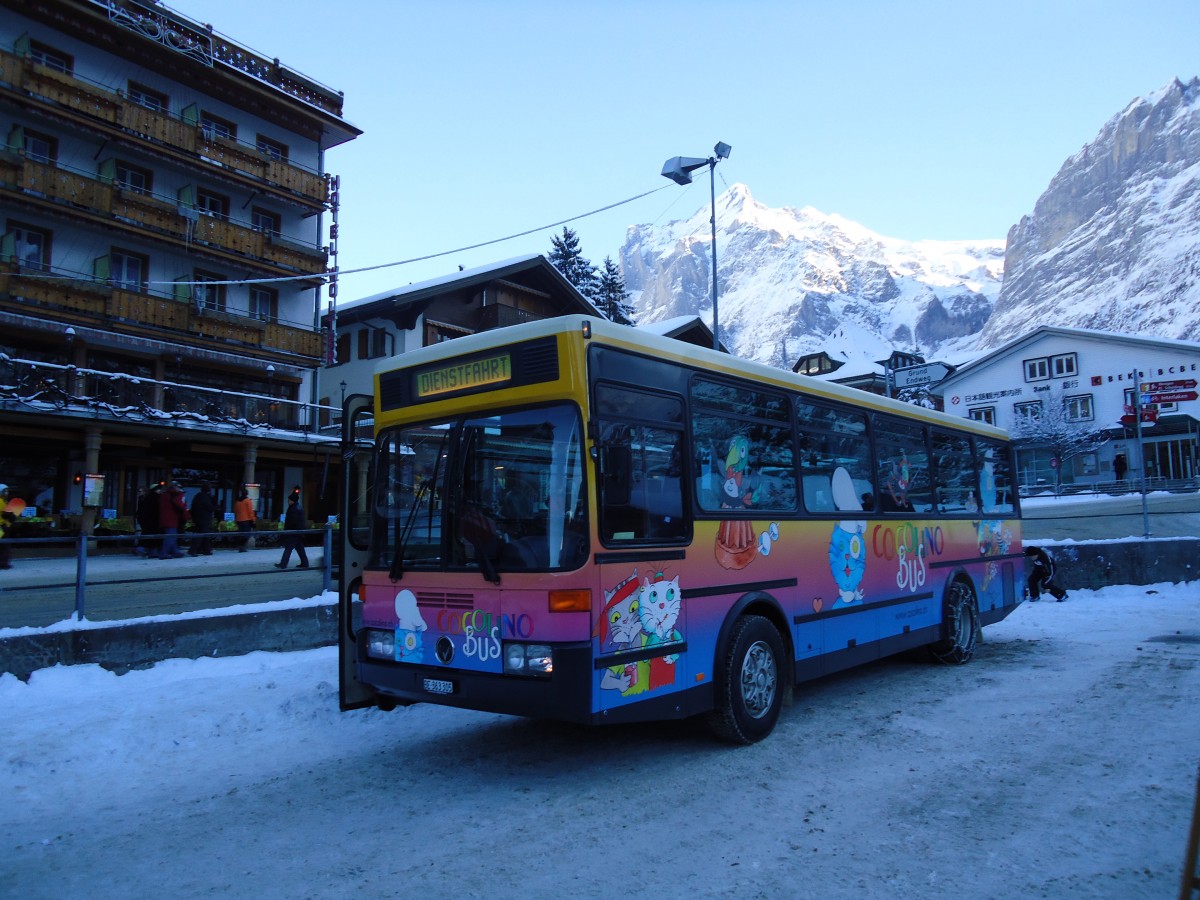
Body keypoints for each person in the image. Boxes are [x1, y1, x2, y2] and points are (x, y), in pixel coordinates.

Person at [274, 494, 309, 569]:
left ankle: (283, 564)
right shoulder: (298, 507)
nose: (288, 501)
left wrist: (288, 530)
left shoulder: (293, 509)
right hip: (298, 531)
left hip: (293, 532)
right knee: (299, 548)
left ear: (293, 500)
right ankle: (305, 563)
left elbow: (293, 521)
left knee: (288, 548)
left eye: (289, 500)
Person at [157, 481, 188, 559]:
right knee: (171, 536)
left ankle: (175, 551)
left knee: (171, 536)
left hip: (164, 518)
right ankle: (163, 553)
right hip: (172, 518)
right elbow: (180, 506)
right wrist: (186, 515)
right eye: (179, 487)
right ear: (175, 487)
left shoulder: (164, 495)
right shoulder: (175, 495)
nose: (179, 489)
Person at [188, 483, 214, 556]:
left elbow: (192, 508)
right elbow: (210, 507)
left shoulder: (197, 497)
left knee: (204, 534)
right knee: (202, 534)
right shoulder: (205, 497)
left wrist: (193, 518)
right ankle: (193, 550)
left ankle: (206, 550)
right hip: (204, 519)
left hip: (197, 518)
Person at [135, 484, 160, 557]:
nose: (139, 493)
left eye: (140, 491)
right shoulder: (143, 499)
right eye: (139, 491)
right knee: (149, 534)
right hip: (148, 520)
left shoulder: (146, 499)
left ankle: (146, 549)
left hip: (149, 519)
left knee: (147, 534)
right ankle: (150, 550)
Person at [0, 483, 13, 570]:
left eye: (7, 491)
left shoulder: (4, 501)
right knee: (4, 545)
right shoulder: (1, 501)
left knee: (4, 545)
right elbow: (5, 514)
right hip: (2, 526)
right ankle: (3, 563)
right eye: (5, 491)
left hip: (4, 525)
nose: (7, 492)